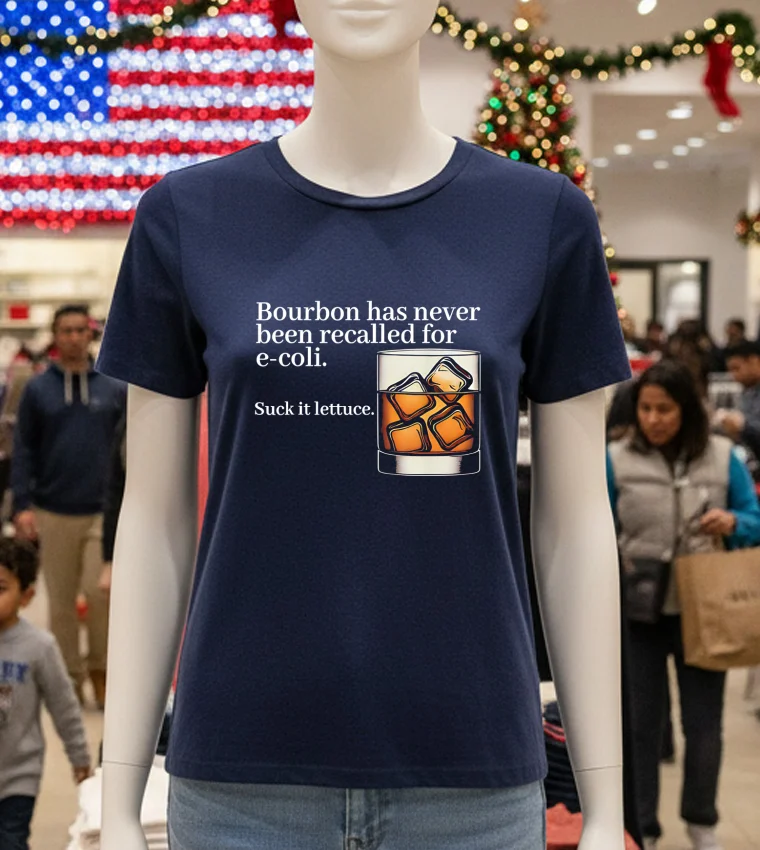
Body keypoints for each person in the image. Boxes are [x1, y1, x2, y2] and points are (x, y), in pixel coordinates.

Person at [95, 2, 632, 848]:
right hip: (242, 781)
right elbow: (153, 516)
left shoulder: (539, 218)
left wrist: (606, 807)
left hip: (470, 781)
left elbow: (576, 520)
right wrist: (120, 798)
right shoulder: (189, 215)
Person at [607, 360, 760, 850]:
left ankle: (702, 822)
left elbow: (753, 517)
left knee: (704, 724)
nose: (654, 419)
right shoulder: (615, 458)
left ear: (687, 409)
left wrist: (734, 523)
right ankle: (643, 827)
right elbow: (596, 525)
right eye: (646, 408)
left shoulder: (723, 456)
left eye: (665, 409)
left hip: (706, 608)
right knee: (640, 728)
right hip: (639, 612)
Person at [10, 305, 125, 708]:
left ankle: (101, 674)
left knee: (99, 597)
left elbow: (125, 452)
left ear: (91, 335)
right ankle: (69, 682)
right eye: (66, 331)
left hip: (101, 512)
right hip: (53, 509)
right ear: (55, 336)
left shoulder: (114, 386)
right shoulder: (37, 389)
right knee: (60, 605)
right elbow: (23, 449)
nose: (74, 337)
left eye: (80, 330)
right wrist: (22, 504)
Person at [0, 537, 91, 849]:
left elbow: (64, 705)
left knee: (10, 842)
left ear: (26, 596)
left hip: (18, 777)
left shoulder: (39, 647)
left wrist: (79, 756)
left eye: (1, 588)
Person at [717, 341, 760, 457]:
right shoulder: (748, 392)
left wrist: (742, 427)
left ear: (754, 361)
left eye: (736, 368)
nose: (733, 375)